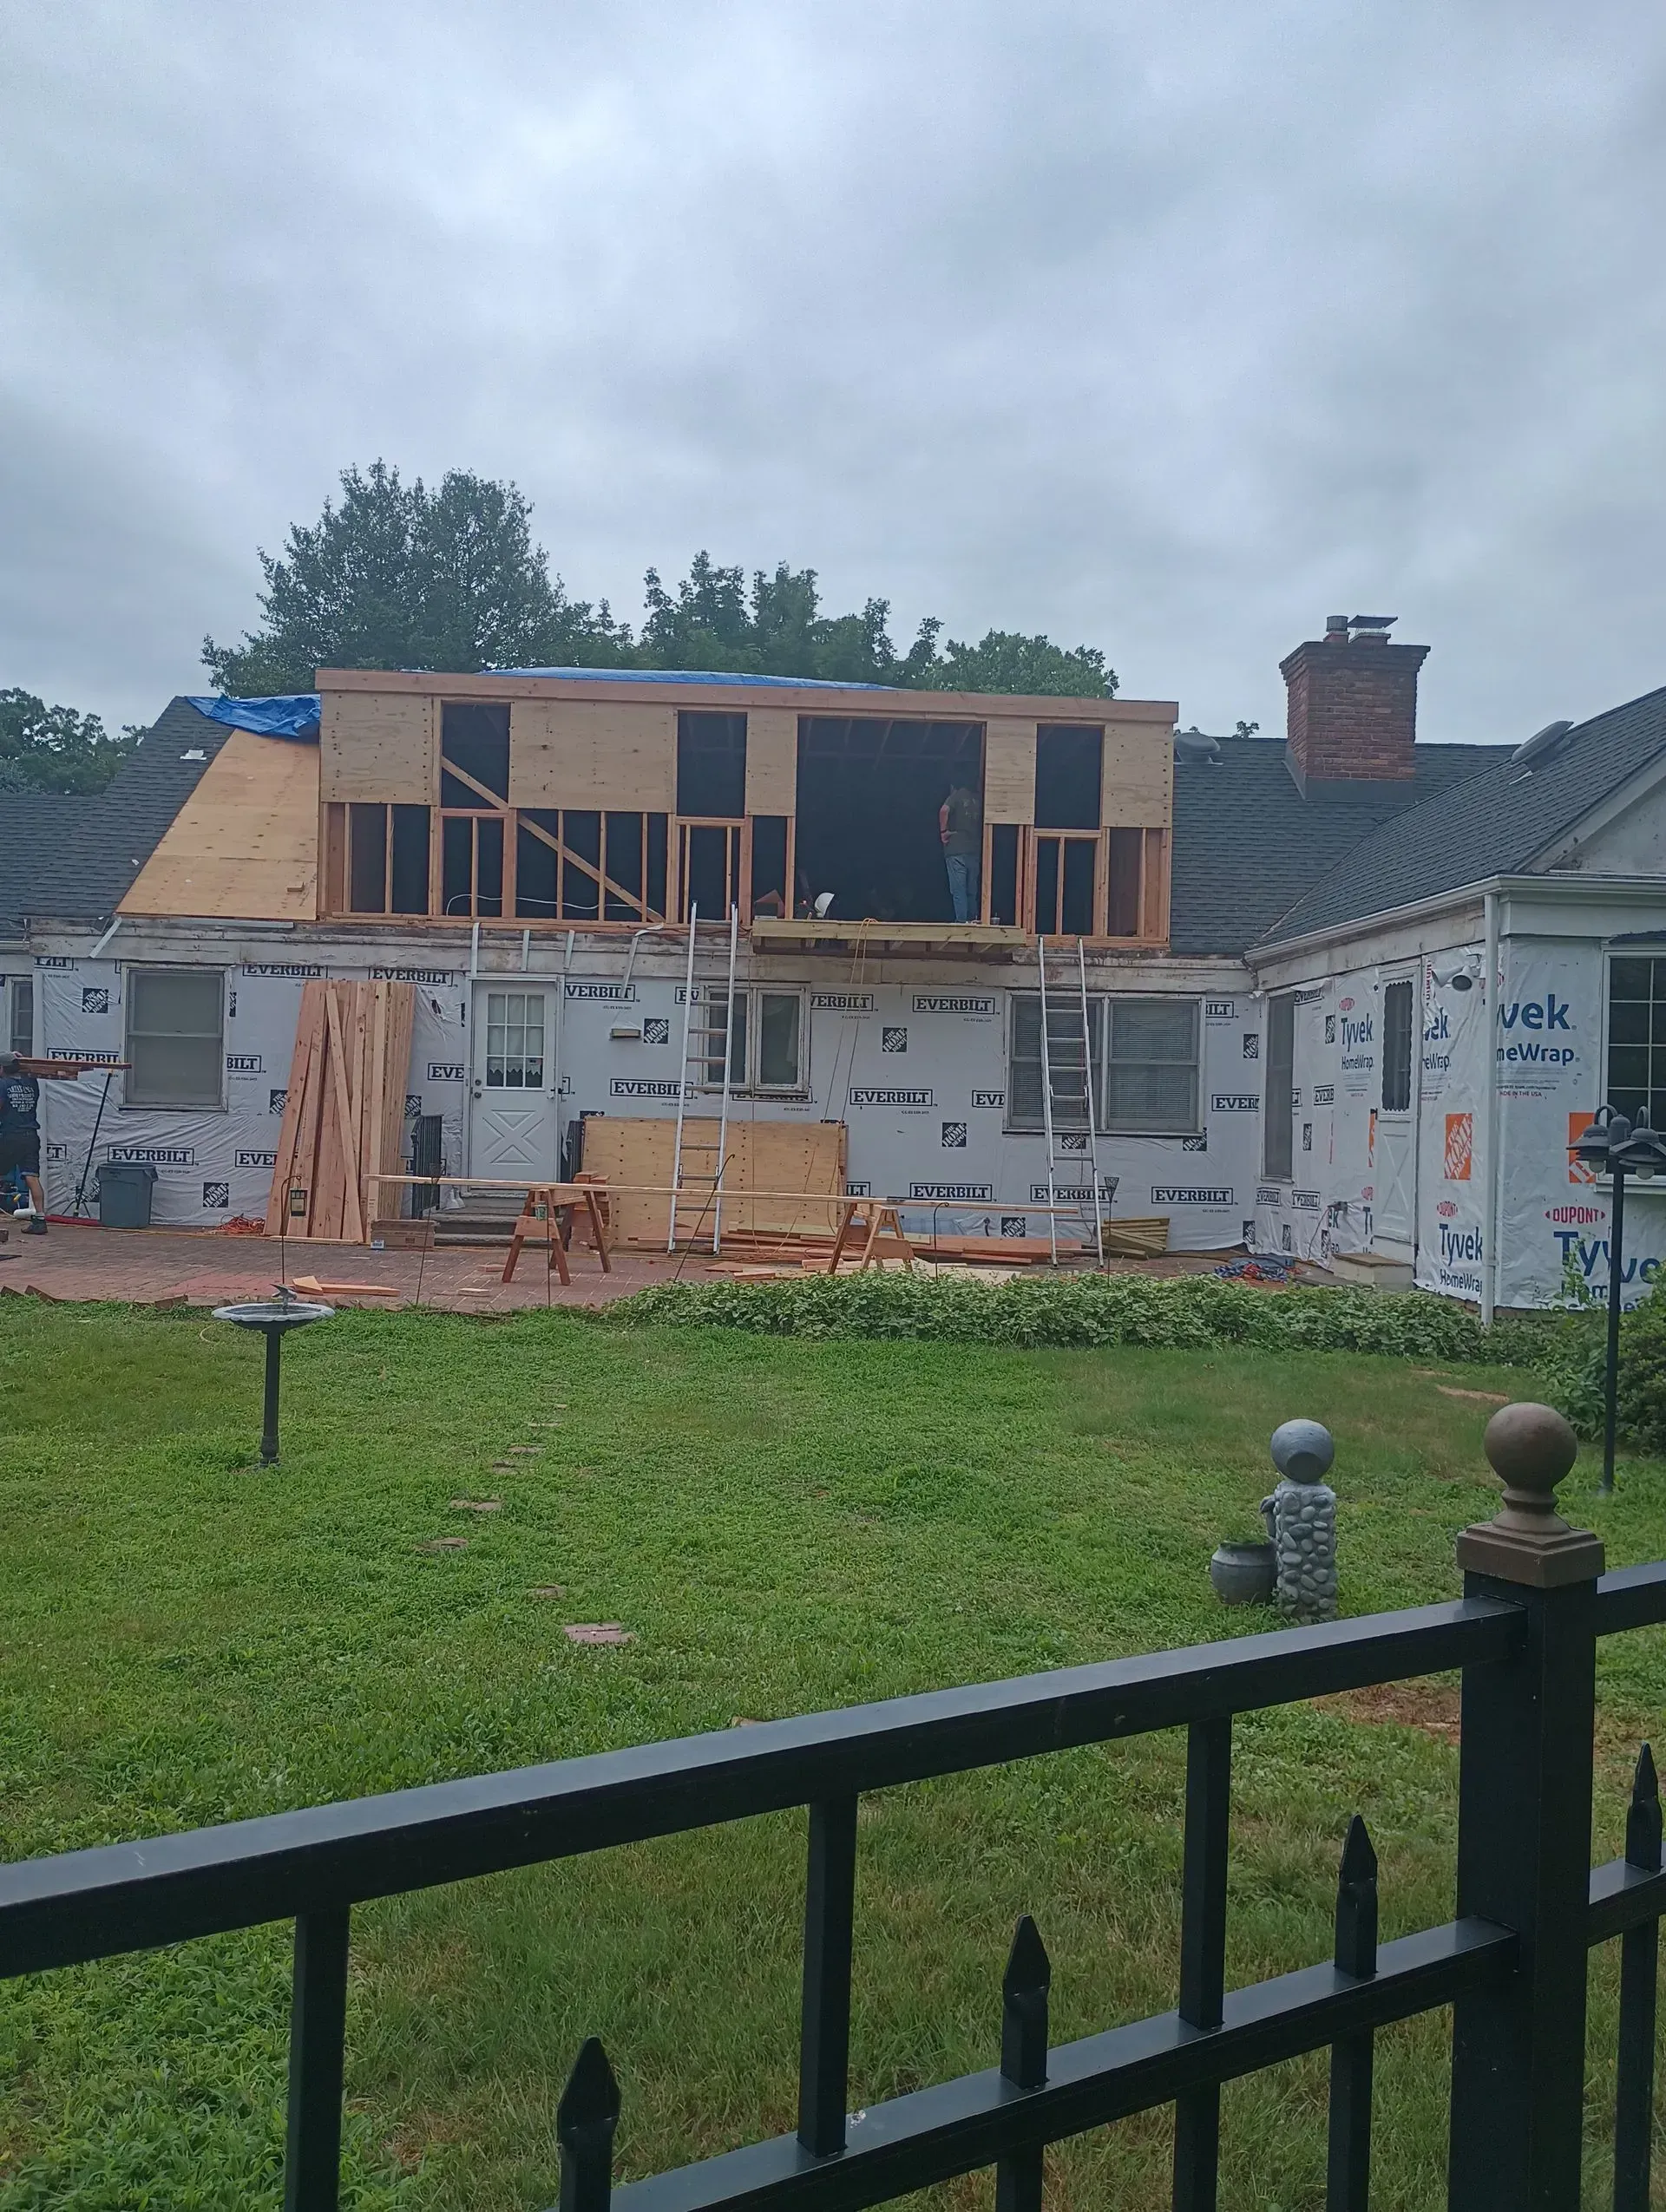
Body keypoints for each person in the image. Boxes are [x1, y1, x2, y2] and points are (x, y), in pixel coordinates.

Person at [0, 1051, 46, 1234]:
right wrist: (20, 1058)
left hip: (11, 1136)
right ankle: (40, 1220)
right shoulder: (31, 1083)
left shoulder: (3, 1084)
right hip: (31, 1136)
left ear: (2, 1068)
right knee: (32, 1177)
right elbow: (29, 1069)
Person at [939, 776, 982, 923]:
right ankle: (972, 920)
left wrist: (943, 832)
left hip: (956, 849)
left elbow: (944, 810)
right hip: (974, 849)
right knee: (972, 889)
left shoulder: (957, 795)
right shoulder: (979, 799)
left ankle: (962, 922)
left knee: (959, 889)